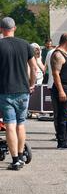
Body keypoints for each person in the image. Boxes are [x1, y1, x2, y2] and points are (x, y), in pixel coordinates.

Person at [0, 17, 37, 170]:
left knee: (10, 124)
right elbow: (34, 67)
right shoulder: (25, 45)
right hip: (23, 90)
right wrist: (32, 83)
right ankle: (21, 156)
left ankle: (15, 160)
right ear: (14, 28)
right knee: (21, 124)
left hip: (5, 90)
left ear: (1, 29)